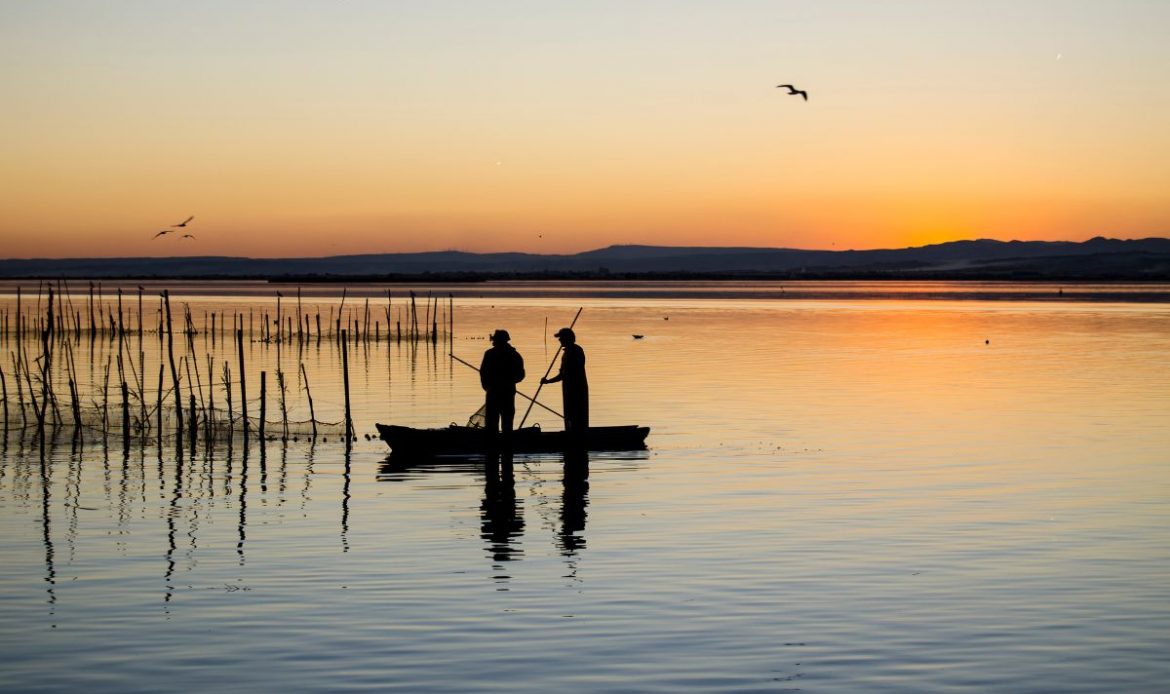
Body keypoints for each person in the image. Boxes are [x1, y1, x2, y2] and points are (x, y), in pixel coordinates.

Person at [480, 329, 525, 444]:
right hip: (506, 391)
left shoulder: (490, 354)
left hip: (495, 392)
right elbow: (521, 375)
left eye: (495, 340)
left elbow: (483, 373)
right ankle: (506, 444)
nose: (494, 342)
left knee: (492, 421)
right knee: (506, 421)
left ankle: (493, 445)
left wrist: (487, 386)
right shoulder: (514, 355)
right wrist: (511, 382)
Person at [541, 327, 589, 433]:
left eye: (561, 338)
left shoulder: (576, 351)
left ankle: (578, 436)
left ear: (567, 338)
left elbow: (567, 373)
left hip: (577, 391)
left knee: (577, 417)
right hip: (568, 390)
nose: (559, 340)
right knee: (569, 416)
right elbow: (563, 374)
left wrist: (549, 381)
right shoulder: (566, 353)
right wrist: (548, 381)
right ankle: (571, 434)